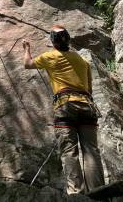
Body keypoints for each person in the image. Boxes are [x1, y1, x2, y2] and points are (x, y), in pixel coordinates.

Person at [22, 25, 105, 196]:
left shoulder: (50, 57)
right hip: (86, 105)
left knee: (69, 150)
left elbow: (28, 64)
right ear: (68, 39)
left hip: (65, 106)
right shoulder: (82, 61)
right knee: (91, 150)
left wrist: (27, 49)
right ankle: (98, 192)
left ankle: (76, 193)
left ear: (53, 41)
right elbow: (88, 89)